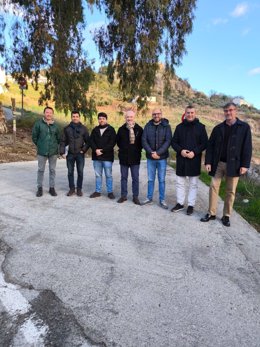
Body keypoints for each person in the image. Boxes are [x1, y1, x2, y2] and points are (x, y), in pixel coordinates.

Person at [201, 102, 252, 227]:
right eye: (226, 111)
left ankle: (226, 216)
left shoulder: (244, 127)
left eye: (230, 110)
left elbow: (247, 147)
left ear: (236, 111)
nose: (228, 113)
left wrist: (245, 165)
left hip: (234, 164)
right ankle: (211, 213)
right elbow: (210, 146)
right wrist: (208, 161)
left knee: (230, 191)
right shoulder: (218, 128)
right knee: (213, 186)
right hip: (218, 163)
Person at [171, 105, 208, 215]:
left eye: (192, 112)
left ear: (195, 114)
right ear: (185, 113)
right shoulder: (179, 127)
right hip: (181, 159)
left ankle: (191, 205)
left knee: (193, 184)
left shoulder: (201, 127)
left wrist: (194, 152)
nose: (190, 114)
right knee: (180, 183)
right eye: (188, 112)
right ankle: (180, 203)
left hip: (194, 159)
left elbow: (205, 143)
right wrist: (181, 150)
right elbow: (174, 142)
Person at [142, 108, 172, 209]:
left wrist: (158, 153)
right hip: (150, 158)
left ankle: (162, 200)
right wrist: (151, 152)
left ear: (161, 114)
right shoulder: (148, 126)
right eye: (154, 114)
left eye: (158, 114)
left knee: (161, 180)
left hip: (161, 158)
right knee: (150, 179)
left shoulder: (166, 126)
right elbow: (144, 140)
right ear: (152, 115)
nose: (156, 116)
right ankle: (149, 198)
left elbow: (168, 141)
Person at [116, 110, 143, 205]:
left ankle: (135, 196)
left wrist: (136, 150)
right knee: (124, 178)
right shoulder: (121, 129)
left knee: (135, 178)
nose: (129, 118)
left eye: (131, 117)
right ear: (125, 118)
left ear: (134, 117)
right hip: (124, 158)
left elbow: (141, 143)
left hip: (135, 158)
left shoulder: (139, 129)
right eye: (127, 117)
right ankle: (123, 196)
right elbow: (118, 142)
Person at [60, 110, 89, 197]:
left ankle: (79, 189)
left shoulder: (84, 129)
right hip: (70, 154)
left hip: (80, 154)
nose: (75, 118)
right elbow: (63, 141)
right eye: (73, 116)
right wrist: (62, 152)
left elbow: (88, 141)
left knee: (80, 172)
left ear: (79, 117)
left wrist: (83, 150)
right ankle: (72, 189)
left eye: (77, 116)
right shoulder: (66, 129)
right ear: (71, 117)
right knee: (70, 172)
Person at [32, 106, 60, 197]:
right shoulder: (38, 124)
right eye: (47, 112)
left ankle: (52, 188)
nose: (48, 114)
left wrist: (56, 147)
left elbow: (58, 138)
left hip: (53, 152)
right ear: (44, 113)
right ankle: (39, 188)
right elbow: (34, 137)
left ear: (52, 114)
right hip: (42, 152)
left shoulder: (56, 126)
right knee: (41, 170)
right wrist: (40, 145)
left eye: (50, 112)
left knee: (52, 170)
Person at [89, 112, 116, 199]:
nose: (101, 120)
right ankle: (98, 191)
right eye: (100, 119)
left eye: (103, 119)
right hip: (96, 157)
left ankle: (110, 192)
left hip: (107, 157)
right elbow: (91, 141)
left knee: (108, 175)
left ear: (106, 119)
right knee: (98, 175)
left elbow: (112, 143)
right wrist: (96, 150)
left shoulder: (111, 130)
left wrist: (102, 150)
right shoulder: (95, 130)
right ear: (98, 120)